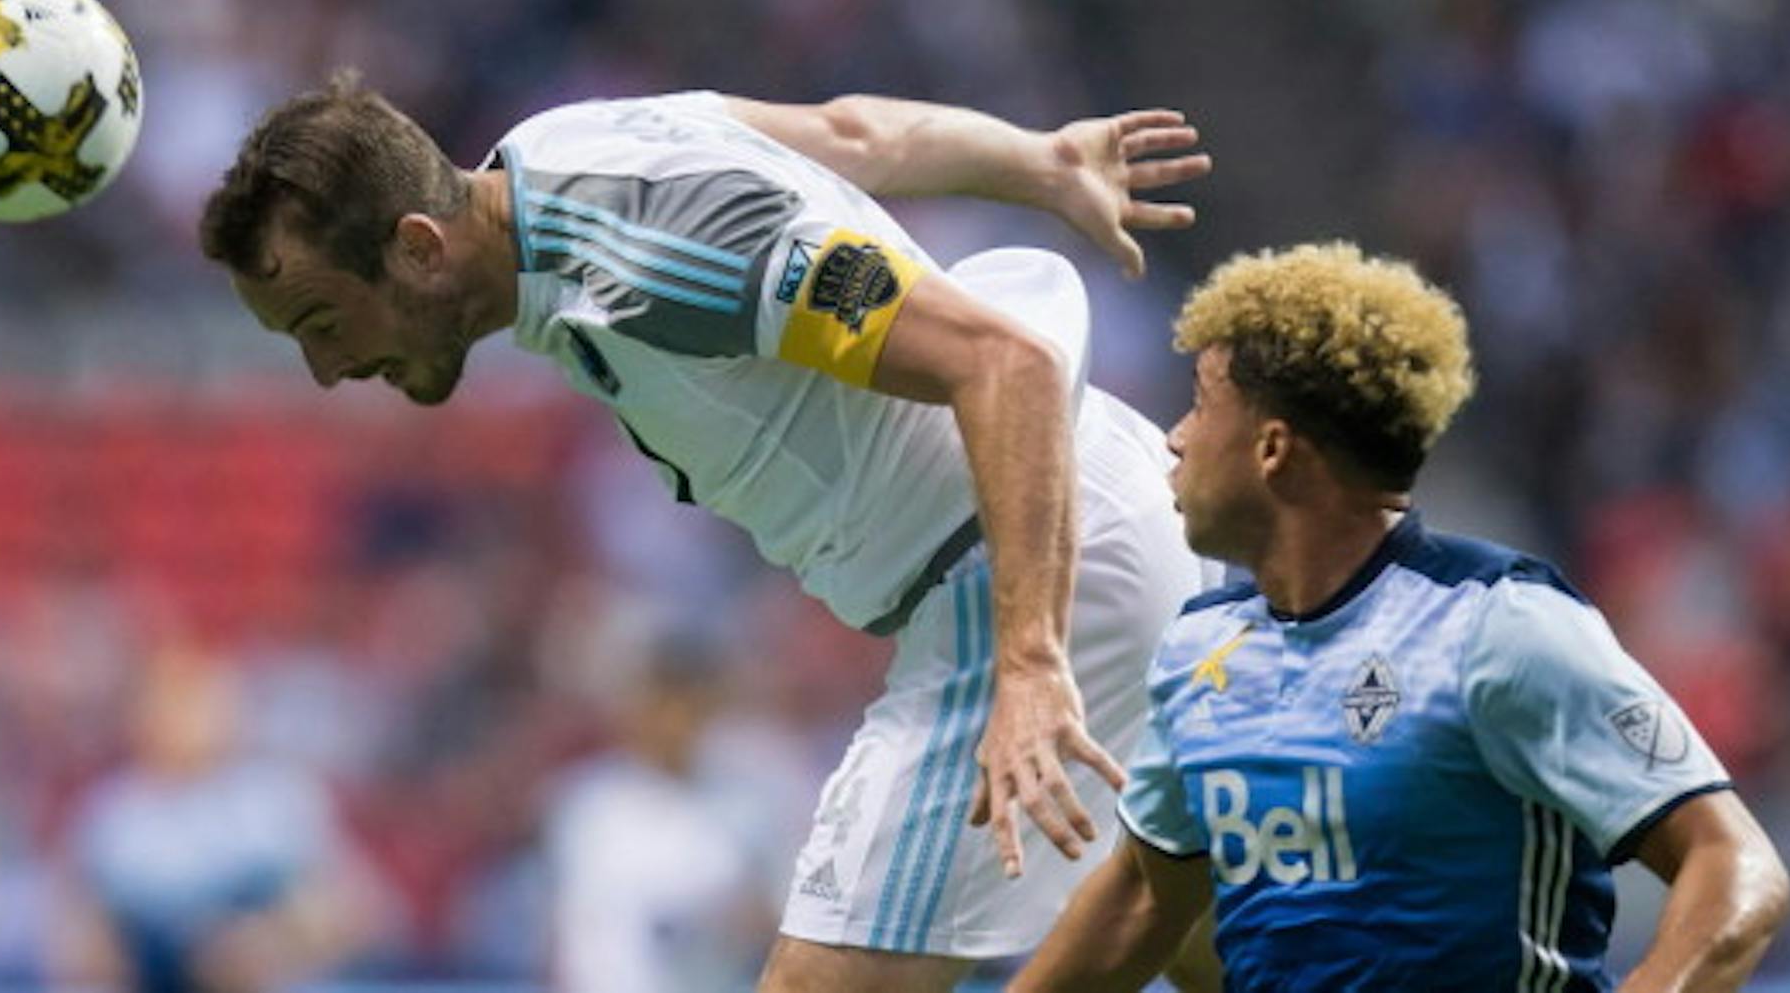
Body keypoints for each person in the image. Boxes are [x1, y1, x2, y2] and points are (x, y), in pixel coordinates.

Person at [199, 79, 1220, 992]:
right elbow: (850, 134)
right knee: (1212, 946)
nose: (326, 372)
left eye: (322, 322)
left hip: (1028, 568)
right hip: (1100, 519)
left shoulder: (654, 257)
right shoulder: (560, 149)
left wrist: (1031, 662)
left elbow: (1006, 363)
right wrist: (1038, 160)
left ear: (420, 246)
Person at [1009, 243, 1790, 993]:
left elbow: (1735, 867)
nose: (1176, 439)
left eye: (1201, 404)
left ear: (1272, 448)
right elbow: (1144, 900)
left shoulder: (1502, 626)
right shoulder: (1199, 649)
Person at [51, 647, 378, 993]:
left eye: (196, 703)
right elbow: (76, 938)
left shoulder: (276, 802)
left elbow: (352, 915)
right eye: (168, 703)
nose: (182, 720)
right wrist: (104, 956)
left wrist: (271, 943)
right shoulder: (111, 814)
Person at [542, 629, 806, 993]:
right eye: (657, 703)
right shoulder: (585, 804)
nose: (670, 720)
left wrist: (737, 921)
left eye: (683, 704)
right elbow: (565, 930)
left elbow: (785, 924)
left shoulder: (746, 807)